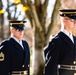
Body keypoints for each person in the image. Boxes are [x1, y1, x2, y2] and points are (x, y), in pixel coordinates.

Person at [44, 9, 76, 75]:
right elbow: (51, 67)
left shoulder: (75, 39)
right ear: (64, 20)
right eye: (72, 20)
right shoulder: (56, 41)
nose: (75, 23)